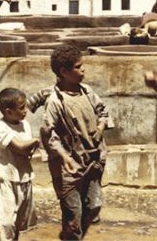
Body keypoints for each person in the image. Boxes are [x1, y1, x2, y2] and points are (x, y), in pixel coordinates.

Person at [39, 45, 114, 241]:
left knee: (93, 205)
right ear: (64, 72)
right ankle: (72, 235)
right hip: (69, 168)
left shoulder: (87, 91)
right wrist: (64, 157)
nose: (83, 70)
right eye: (78, 67)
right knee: (73, 212)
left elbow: (103, 112)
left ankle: (72, 234)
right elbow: (49, 135)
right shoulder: (56, 101)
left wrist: (100, 127)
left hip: (93, 160)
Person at [0, 88, 39, 241]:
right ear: (8, 112)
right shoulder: (0, 127)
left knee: (19, 220)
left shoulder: (24, 125)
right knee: (6, 221)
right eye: (21, 108)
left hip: (25, 177)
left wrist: (29, 146)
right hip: (8, 178)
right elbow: (19, 147)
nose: (26, 111)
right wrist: (36, 141)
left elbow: (27, 151)